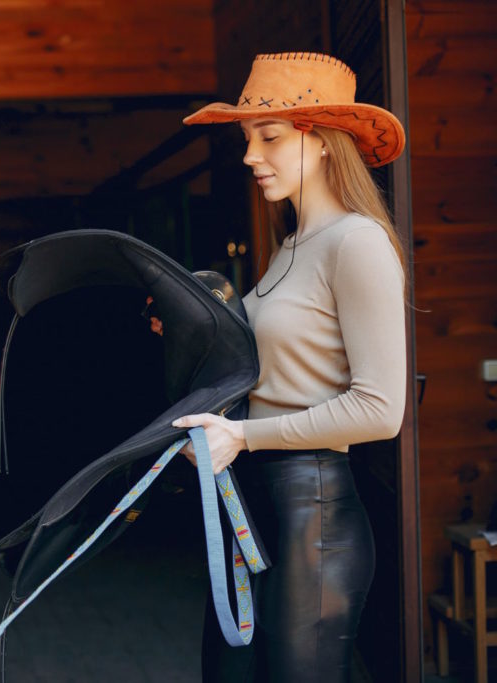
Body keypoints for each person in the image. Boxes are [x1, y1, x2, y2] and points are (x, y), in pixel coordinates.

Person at [171, 52, 408, 682]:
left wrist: (241, 436)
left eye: (269, 137)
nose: (251, 155)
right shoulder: (288, 247)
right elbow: (274, 375)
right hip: (255, 505)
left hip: (315, 513)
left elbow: (381, 410)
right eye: (248, 138)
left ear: (326, 143)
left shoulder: (356, 242)